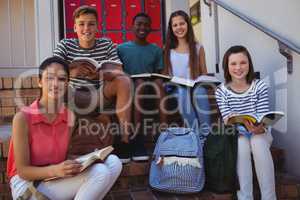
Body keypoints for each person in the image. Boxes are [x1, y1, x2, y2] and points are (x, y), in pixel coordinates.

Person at [7, 56, 122, 200]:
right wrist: (56, 170)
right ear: (39, 82)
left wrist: (89, 160)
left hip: (54, 177)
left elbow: (61, 157)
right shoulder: (22, 118)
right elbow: (23, 171)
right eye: (49, 78)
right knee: (99, 172)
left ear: (67, 83)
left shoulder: (69, 117)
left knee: (113, 162)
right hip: (27, 184)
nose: (55, 84)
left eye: (61, 79)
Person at [53, 5, 132, 159]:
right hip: (73, 95)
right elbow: (53, 69)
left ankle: (125, 140)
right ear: (75, 27)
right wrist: (70, 71)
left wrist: (101, 74)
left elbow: (118, 70)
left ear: (97, 27)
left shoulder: (106, 44)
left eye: (91, 24)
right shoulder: (65, 45)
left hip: (99, 94)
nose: (86, 28)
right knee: (57, 83)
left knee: (124, 80)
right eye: (81, 24)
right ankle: (59, 142)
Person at [215, 45, 276, 200]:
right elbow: (227, 120)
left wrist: (259, 128)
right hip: (238, 135)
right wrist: (235, 121)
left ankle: (269, 197)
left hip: (260, 134)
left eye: (243, 62)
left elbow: (263, 119)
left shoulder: (259, 86)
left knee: (257, 142)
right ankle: (245, 197)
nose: (238, 68)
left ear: (249, 64)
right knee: (241, 145)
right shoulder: (221, 90)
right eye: (233, 64)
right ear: (227, 67)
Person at [117, 13, 166, 162]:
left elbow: (159, 73)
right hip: (128, 87)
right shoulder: (121, 48)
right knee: (136, 85)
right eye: (139, 24)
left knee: (156, 83)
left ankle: (163, 130)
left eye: (146, 24)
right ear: (132, 27)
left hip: (149, 87)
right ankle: (135, 137)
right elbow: (117, 72)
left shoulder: (156, 50)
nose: (142, 27)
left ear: (150, 28)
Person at [163, 10, 211, 136]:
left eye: (182, 23)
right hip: (176, 89)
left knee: (200, 91)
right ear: (171, 28)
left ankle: (207, 135)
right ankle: (195, 135)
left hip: (195, 86)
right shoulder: (167, 49)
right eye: (175, 25)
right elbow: (165, 76)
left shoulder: (198, 47)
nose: (179, 27)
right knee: (182, 92)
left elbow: (204, 73)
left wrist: (200, 81)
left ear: (188, 25)